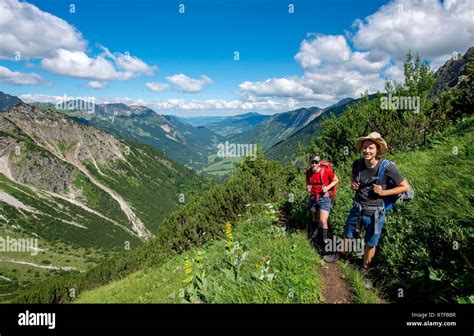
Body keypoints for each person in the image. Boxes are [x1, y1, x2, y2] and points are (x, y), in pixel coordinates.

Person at [344, 132, 409, 272]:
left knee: (371, 243)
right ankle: (344, 260)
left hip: (375, 213)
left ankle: (364, 270)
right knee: (348, 235)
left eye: (371, 148)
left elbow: (405, 187)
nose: (367, 150)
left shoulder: (387, 168)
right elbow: (353, 176)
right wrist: (353, 183)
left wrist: (383, 192)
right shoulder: (358, 164)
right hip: (357, 208)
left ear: (378, 149)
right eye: (365, 147)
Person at [305, 155, 339, 259]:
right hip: (314, 198)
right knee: (315, 217)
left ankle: (326, 245)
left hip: (324, 198)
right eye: (312, 162)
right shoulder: (308, 173)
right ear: (310, 163)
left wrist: (327, 188)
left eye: (316, 162)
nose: (314, 164)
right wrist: (308, 187)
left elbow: (336, 180)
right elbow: (308, 181)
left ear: (319, 163)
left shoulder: (326, 171)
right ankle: (316, 236)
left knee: (323, 220)